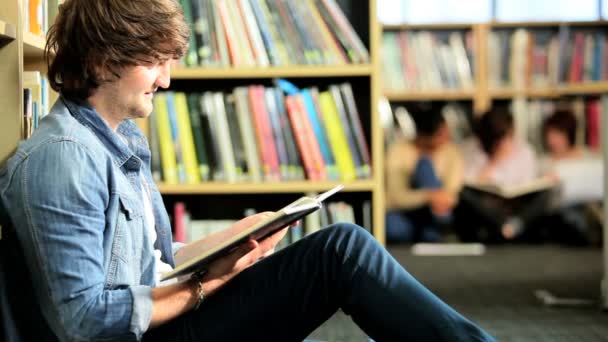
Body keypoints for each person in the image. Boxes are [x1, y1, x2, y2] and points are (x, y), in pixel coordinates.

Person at [0, 1, 495, 341]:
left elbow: (149, 262)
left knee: (340, 248)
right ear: (107, 59)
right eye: (155, 61)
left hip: (169, 321)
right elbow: (84, 321)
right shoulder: (63, 159)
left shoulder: (118, 138)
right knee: (341, 250)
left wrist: (229, 243)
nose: (166, 79)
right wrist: (204, 286)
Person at [456, 108, 552, 243]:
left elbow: (529, 183)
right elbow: (469, 183)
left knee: (547, 192)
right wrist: (495, 161)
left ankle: (513, 226)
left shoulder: (523, 149)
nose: (504, 142)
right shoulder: (470, 149)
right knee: (465, 194)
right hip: (489, 209)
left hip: (517, 206)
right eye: (498, 139)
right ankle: (507, 227)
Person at [385, 105, 464, 243]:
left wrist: (438, 199)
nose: (447, 137)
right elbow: (395, 196)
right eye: (442, 134)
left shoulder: (451, 152)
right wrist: (427, 196)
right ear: (424, 135)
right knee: (424, 165)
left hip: (437, 213)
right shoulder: (398, 151)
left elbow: (452, 193)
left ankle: (441, 228)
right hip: (405, 211)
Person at [538, 110, 603, 245]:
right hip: (558, 210)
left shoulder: (589, 156)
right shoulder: (543, 162)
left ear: (569, 134)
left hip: (591, 205)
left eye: (558, 135)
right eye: (550, 135)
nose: (552, 140)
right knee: (567, 214)